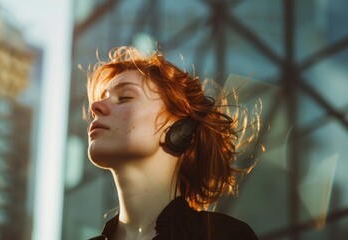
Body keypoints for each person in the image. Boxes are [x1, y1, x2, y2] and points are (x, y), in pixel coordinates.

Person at [86, 46, 260, 240]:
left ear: (179, 128)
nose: (94, 107)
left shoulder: (223, 235)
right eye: (103, 97)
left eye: (125, 97)